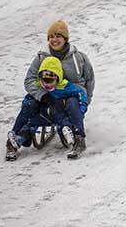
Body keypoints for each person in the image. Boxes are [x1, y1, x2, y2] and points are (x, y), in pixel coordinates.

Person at [14, 20, 95, 158]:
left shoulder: (79, 57)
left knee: (72, 103)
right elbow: (29, 80)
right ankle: (17, 137)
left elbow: (90, 79)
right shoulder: (41, 57)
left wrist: (86, 100)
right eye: (51, 37)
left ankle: (78, 138)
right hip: (48, 96)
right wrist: (42, 95)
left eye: (58, 36)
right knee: (30, 103)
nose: (54, 40)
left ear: (65, 39)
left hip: (72, 95)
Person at [6, 56, 88, 161]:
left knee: (70, 105)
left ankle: (77, 137)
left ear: (58, 78)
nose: (46, 84)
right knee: (29, 117)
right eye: (44, 81)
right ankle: (15, 140)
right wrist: (30, 105)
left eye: (50, 81)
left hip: (60, 115)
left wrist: (80, 112)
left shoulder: (65, 86)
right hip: (42, 115)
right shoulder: (38, 88)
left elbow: (80, 95)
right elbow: (28, 101)